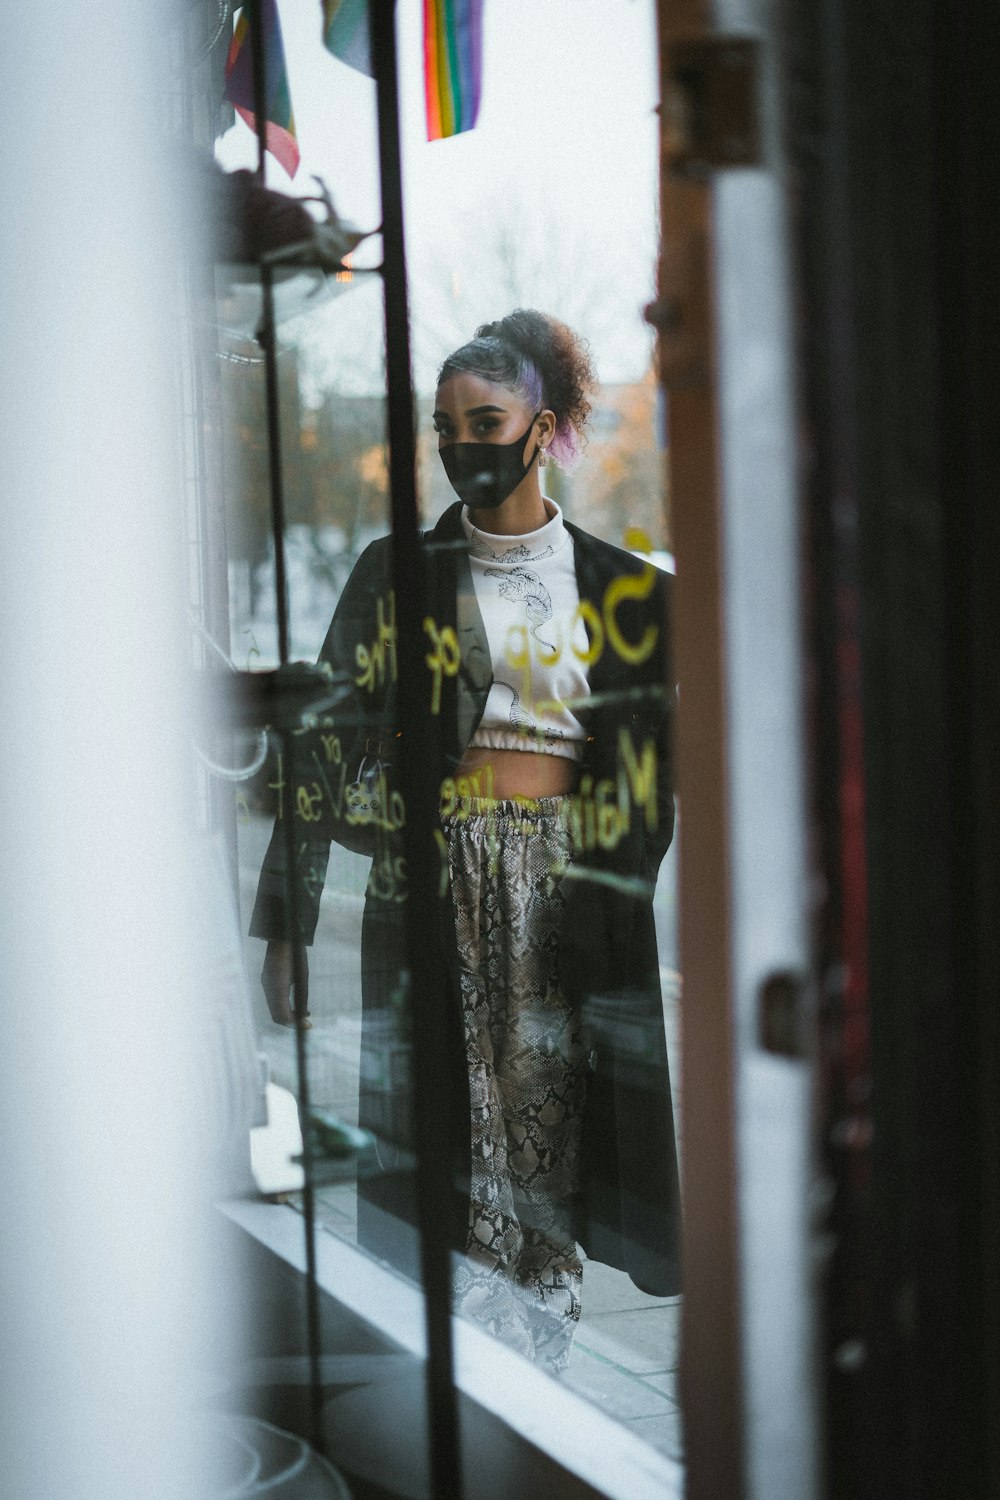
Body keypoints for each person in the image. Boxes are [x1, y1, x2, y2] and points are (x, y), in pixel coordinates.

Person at [250, 309, 681, 1374]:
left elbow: (654, 773)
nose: (459, 444)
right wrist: (287, 925)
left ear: (542, 430)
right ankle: (452, 1385)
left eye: (483, 420)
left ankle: (534, 1376)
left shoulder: (630, 593)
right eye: (444, 426)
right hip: (433, 882)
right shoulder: (392, 576)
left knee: (546, 1137)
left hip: (565, 891)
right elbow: (314, 753)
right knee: (449, 1139)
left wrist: (611, 888)